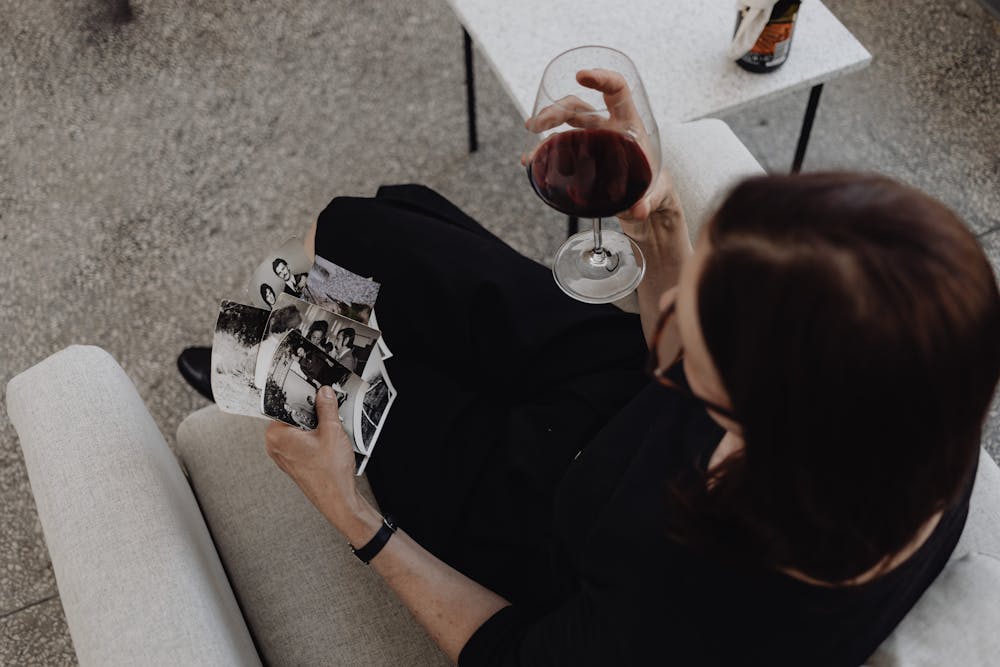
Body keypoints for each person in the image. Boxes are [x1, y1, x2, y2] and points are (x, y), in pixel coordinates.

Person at [261, 73, 1000, 665]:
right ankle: (272, 324)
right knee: (349, 235)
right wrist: (663, 219)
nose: (669, 312)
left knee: (322, 367)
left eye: (696, 332)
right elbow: (662, 359)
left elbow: (512, 652)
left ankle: (250, 359)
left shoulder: (694, 607)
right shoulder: (922, 388)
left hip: (543, 519)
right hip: (614, 390)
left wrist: (351, 513)